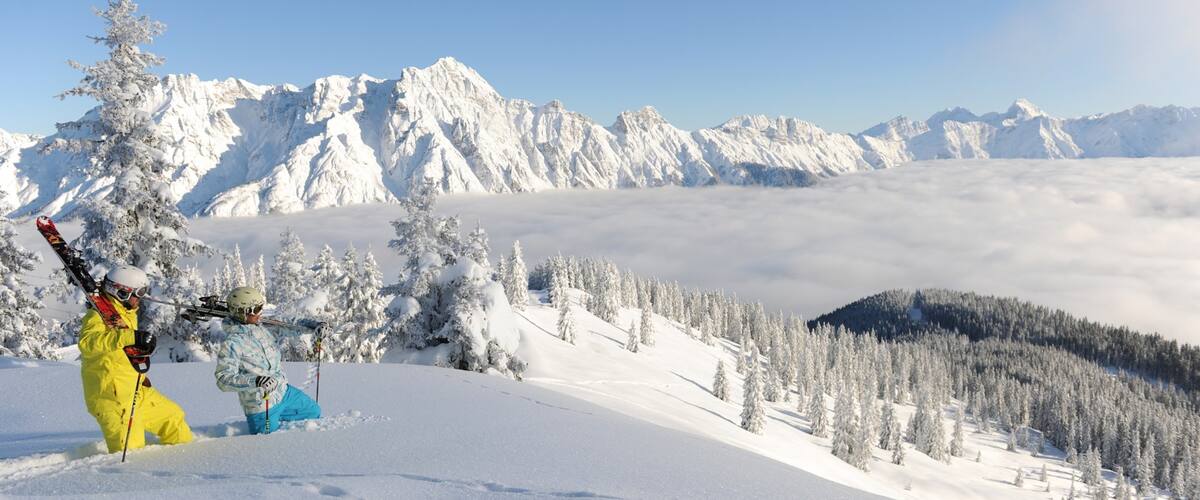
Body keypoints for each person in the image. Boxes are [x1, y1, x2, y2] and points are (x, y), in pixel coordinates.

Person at [79, 265, 193, 453]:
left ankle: (185, 462)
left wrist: (138, 376)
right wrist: (132, 337)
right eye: (138, 292)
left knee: (172, 418)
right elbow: (88, 343)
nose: (141, 297)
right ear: (121, 292)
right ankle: (133, 480)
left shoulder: (125, 313)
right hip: (112, 398)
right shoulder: (96, 316)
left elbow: (119, 353)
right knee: (131, 450)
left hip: (136, 390)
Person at [215, 286, 321, 434]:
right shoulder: (233, 343)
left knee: (313, 412)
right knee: (267, 444)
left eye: (261, 307)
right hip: (261, 404)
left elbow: (289, 325)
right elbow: (223, 380)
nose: (261, 312)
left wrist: (314, 326)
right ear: (242, 313)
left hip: (283, 392)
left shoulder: (261, 326)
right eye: (257, 308)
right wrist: (256, 381)